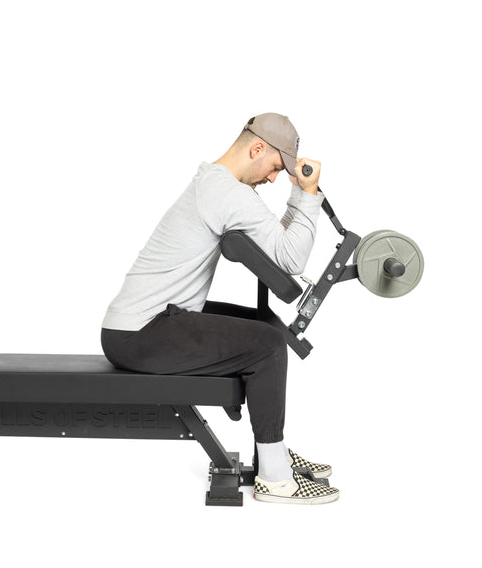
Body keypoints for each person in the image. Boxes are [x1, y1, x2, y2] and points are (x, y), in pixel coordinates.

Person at [100, 113, 339, 505]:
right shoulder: (227, 193)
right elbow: (290, 256)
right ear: (257, 148)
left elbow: (276, 243)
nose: (273, 178)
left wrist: (301, 193)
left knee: (264, 331)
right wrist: (308, 193)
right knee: (267, 346)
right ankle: (275, 479)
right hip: (141, 333)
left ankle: (271, 451)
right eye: (276, 168)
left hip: (147, 325)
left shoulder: (217, 184)